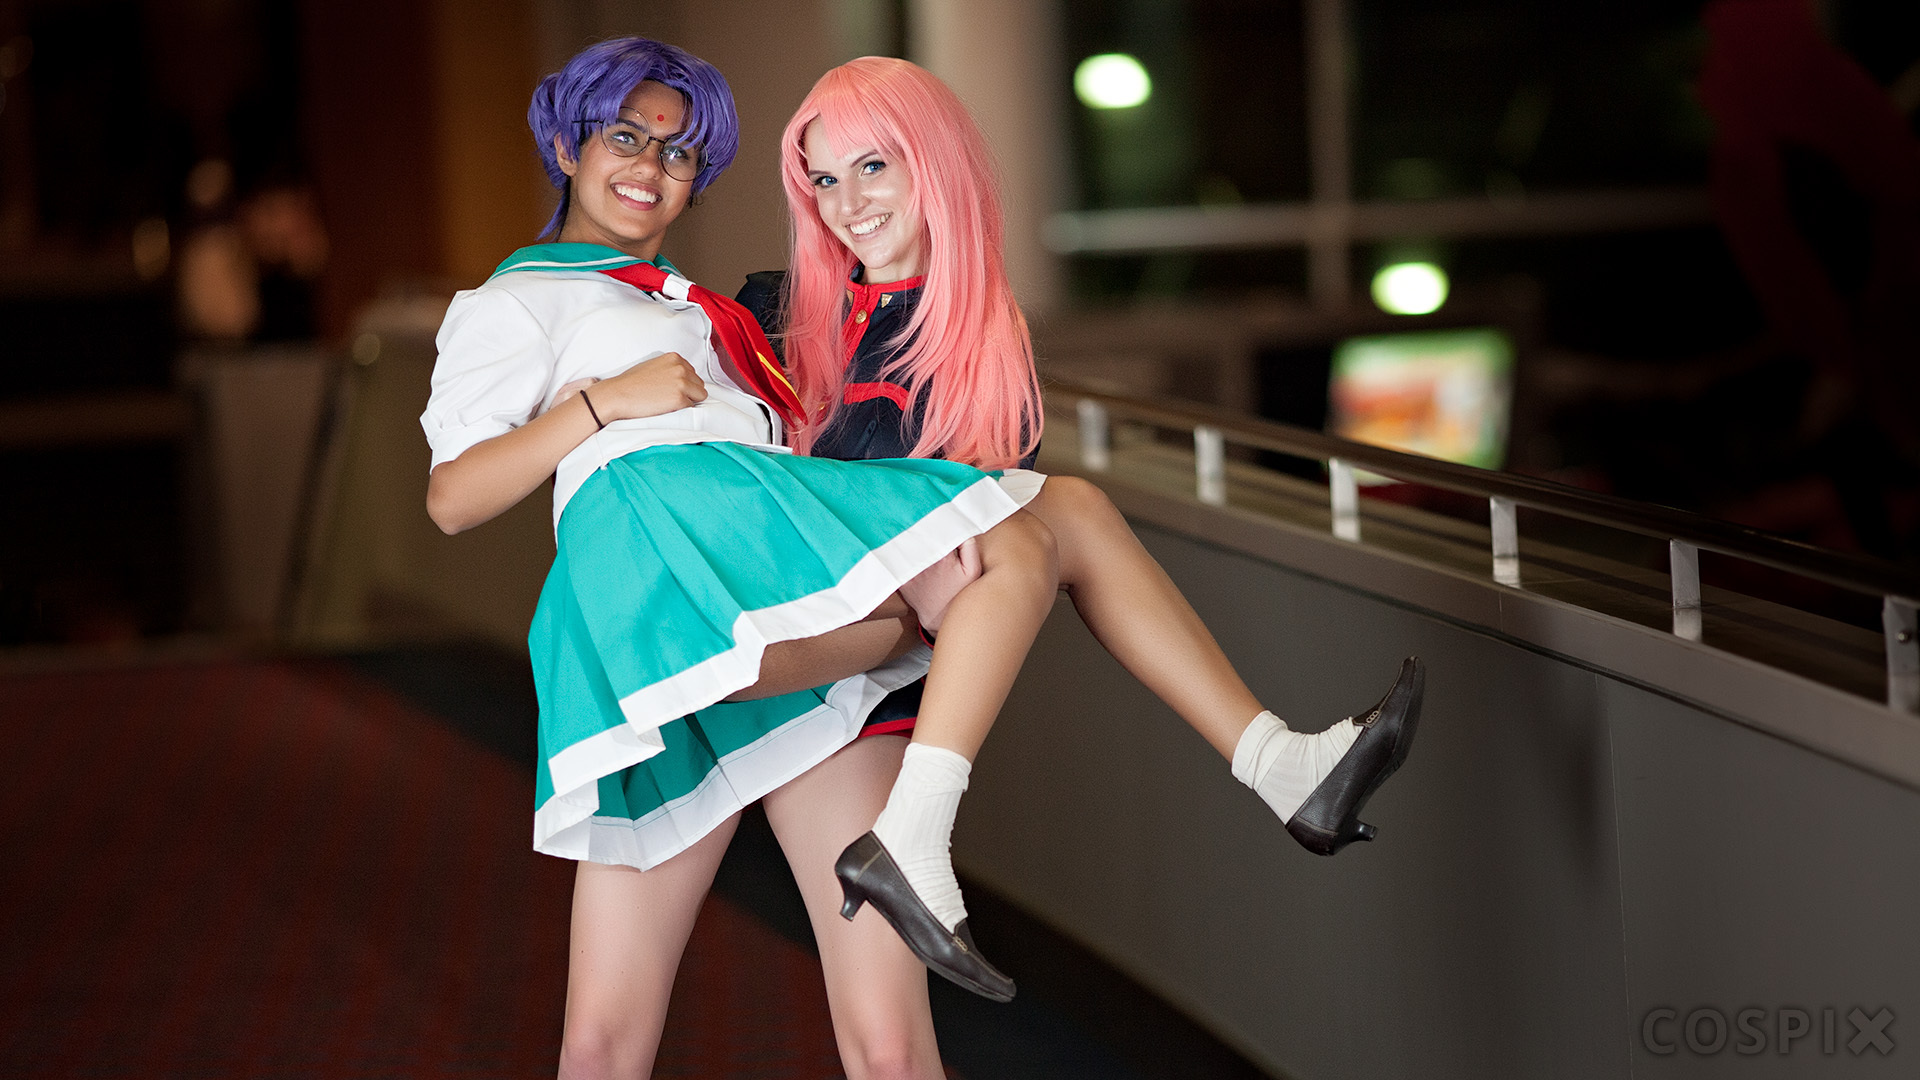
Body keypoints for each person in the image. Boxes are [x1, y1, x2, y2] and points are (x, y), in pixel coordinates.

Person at [419, 39, 1057, 1077]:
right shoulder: (516, 302)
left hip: (779, 634)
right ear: (567, 146)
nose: (652, 166)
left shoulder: (704, 312)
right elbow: (453, 497)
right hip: (663, 640)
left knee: (890, 1043)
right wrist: (600, 406)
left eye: (679, 153)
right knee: (603, 1040)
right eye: (626, 136)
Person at [737, 54, 1425, 989]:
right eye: (823, 178)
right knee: (1059, 512)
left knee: (1066, 511)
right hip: (785, 630)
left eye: (872, 166)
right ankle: (1269, 765)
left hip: (884, 660)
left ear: (932, 164)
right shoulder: (769, 312)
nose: (847, 203)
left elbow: (966, 565)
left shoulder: (980, 341)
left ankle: (1279, 767)